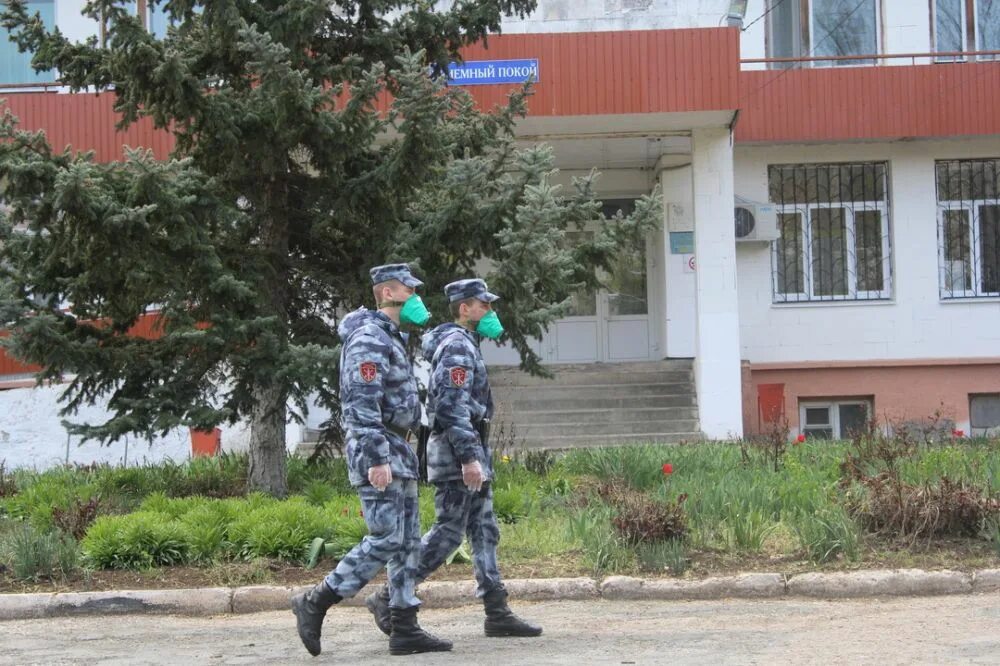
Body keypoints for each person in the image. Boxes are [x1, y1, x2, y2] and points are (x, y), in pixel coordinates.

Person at [365, 278, 542, 639]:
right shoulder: (457, 346)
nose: (490, 311)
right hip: (456, 453)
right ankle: (388, 597)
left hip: (470, 448)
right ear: (465, 308)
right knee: (447, 533)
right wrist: (468, 458)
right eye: (484, 305)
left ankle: (497, 611)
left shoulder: (466, 343)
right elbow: (449, 406)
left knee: (484, 530)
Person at [292, 263, 452, 657]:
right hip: (379, 452)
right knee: (387, 538)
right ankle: (316, 600)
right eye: (408, 290)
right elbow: (360, 404)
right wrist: (377, 458)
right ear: (387, 293)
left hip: (400, 451)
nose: (415, 297)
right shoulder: (368, 338)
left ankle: (404, 625)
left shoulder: (391, 337)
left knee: (408, 544)